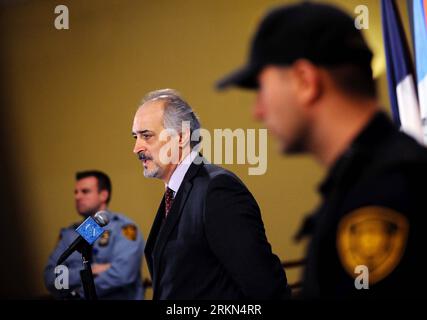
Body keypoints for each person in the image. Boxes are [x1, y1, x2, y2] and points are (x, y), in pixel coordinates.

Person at [216, 2, 427, 298]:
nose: (258, 111)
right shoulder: (368, 179)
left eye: (261, 88)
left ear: (305, 81)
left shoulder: (383, 193)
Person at [132, 89, 289, 299]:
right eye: (135, 137)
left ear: (181, 137)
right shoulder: (175, 192)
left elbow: (265, 286)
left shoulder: (218, 190)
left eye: (146, 135)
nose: (136, 148)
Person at [44, 170, 145, 300]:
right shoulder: (70, 234)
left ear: (103, 195)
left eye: (85, 191)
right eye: (75, 192)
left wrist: (77, 293)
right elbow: (50, 278)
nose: (77, 196)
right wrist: (91, 270)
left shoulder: (123, 228)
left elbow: (123, 274)